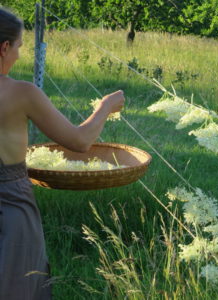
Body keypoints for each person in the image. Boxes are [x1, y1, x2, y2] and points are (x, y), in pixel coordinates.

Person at [0, 7, 125, 299]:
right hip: (11, 208)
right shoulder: (22, 93)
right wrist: (105, 106)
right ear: (4, 47)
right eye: (19, 46)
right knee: (18, 283)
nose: (19, 54)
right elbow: (80, 141)